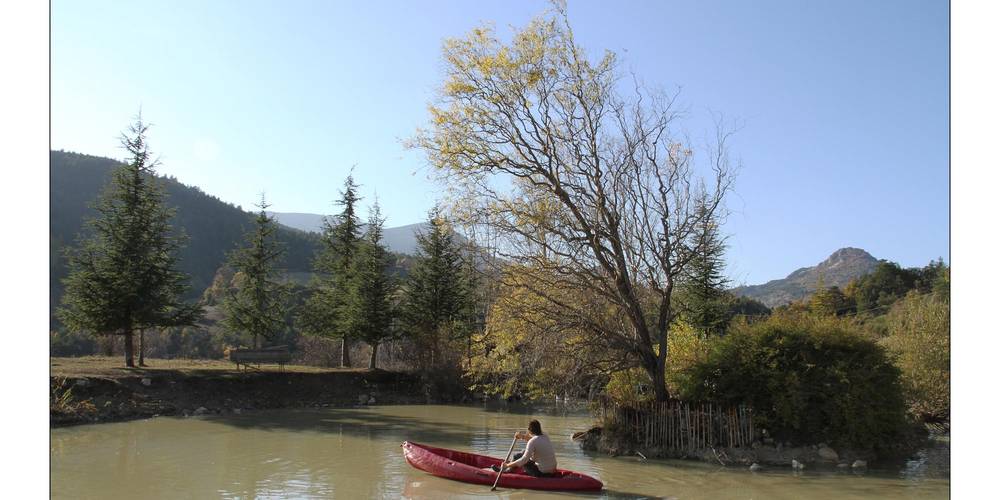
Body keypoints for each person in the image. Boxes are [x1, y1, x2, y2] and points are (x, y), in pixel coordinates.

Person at [493, 419, 557, 477]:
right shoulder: (545, 436)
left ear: (530, 430)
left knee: (517, 456)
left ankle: (506, 469)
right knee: (523, 452)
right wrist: (522, 436)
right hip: (552, 470)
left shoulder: (532, 441)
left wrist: (507, 465)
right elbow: (533, 439)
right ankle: (507, 469)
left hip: (541, 473)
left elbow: (523, 460)